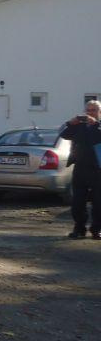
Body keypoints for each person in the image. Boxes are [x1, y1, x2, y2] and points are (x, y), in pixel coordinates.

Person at [60, 99, 101, 239]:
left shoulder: (99, 125)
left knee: (99, 202)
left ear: (99, 112)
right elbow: (63, 134)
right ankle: (79, 228)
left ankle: (97, 230)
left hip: (98, 170)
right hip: (80, 168)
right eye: (88, 110)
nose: (90, 113)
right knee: (77, 202)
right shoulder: (79, 126)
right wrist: (71, 123)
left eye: (93, 110)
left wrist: (95, 125)